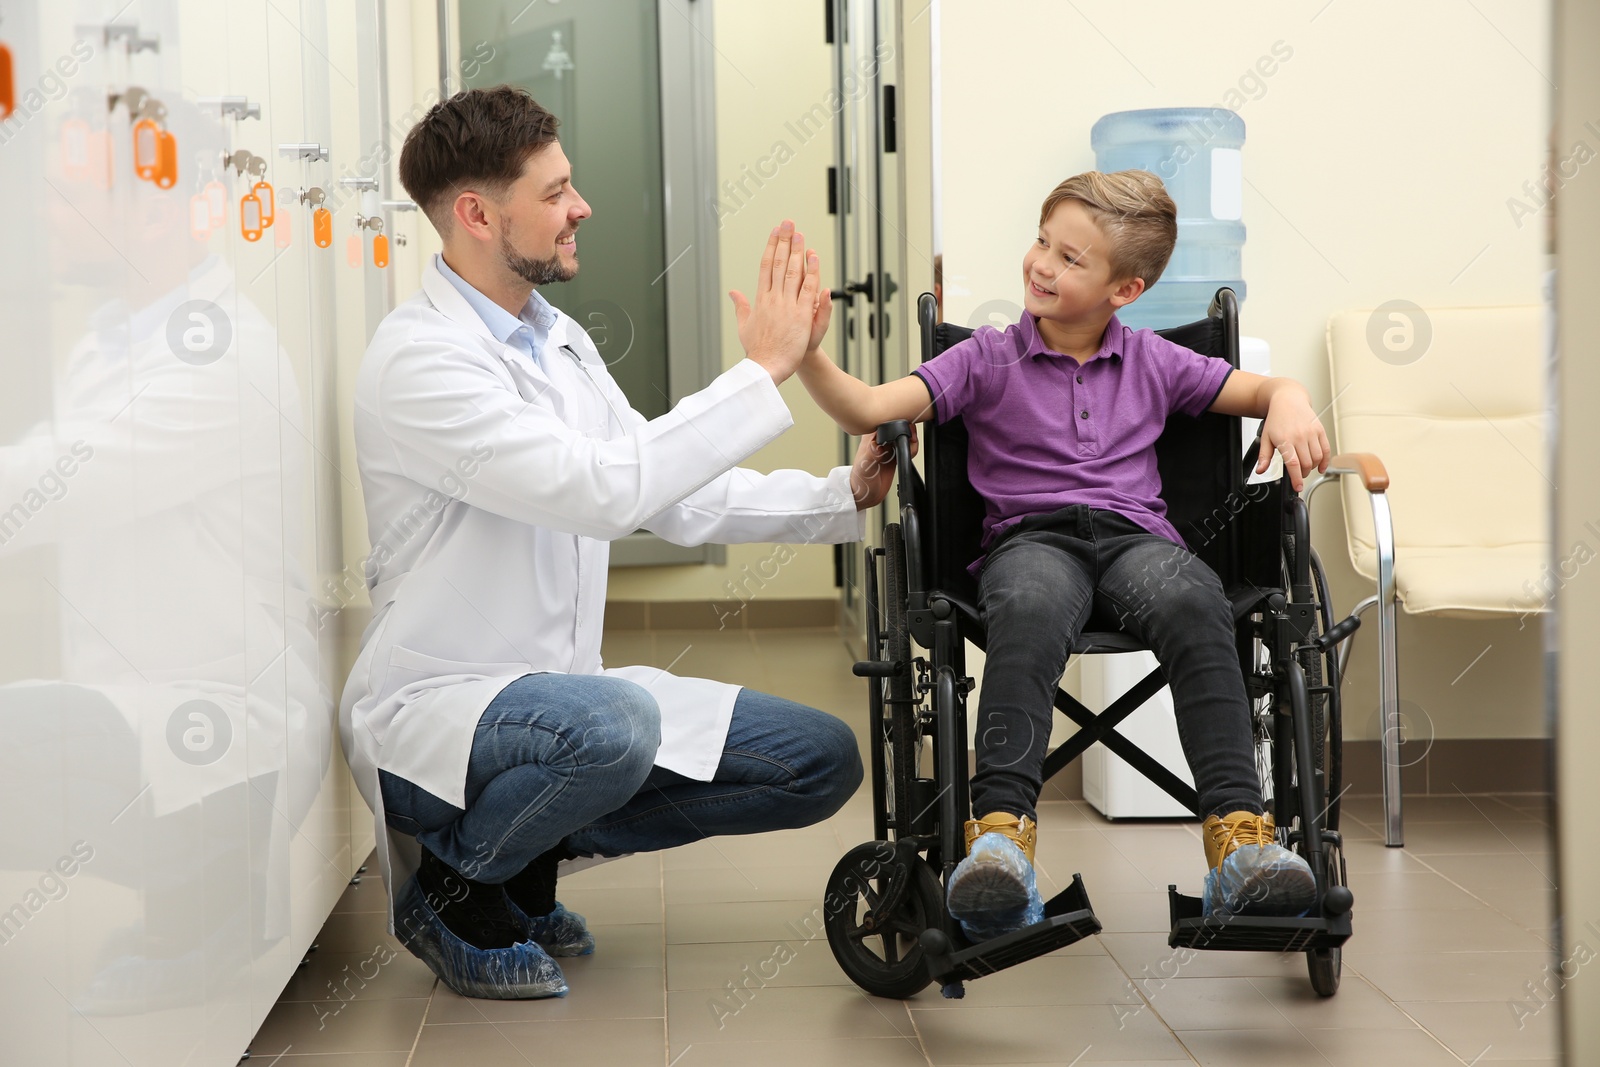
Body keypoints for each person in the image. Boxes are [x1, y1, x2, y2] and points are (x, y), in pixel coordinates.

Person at [340, 86, 890, 999]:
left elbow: (668, 494)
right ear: (477, 213)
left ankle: (524, 856)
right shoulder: (420, 362)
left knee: (818, 759)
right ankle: (453, 885)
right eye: (555, 192)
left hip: (563, 711)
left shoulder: (554, 342)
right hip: (439, 719)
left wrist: (841, 494)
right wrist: (762, 371)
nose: (581, 207)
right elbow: (603, 491)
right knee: (611, 726)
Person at [795, 169, 1328, 940]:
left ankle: (1241, 841)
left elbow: (1263, 388)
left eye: (1071, 258)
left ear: (1126, 288)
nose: (1043, 264)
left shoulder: (1154, 360)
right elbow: (872, 406)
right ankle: (1001, 840)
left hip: (1136, 542)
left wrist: (1292, 398)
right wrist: (809, 354)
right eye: (1043, 242)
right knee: (1032, 607)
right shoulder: (984, 358)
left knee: (1194, 596)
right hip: (1029, 541)